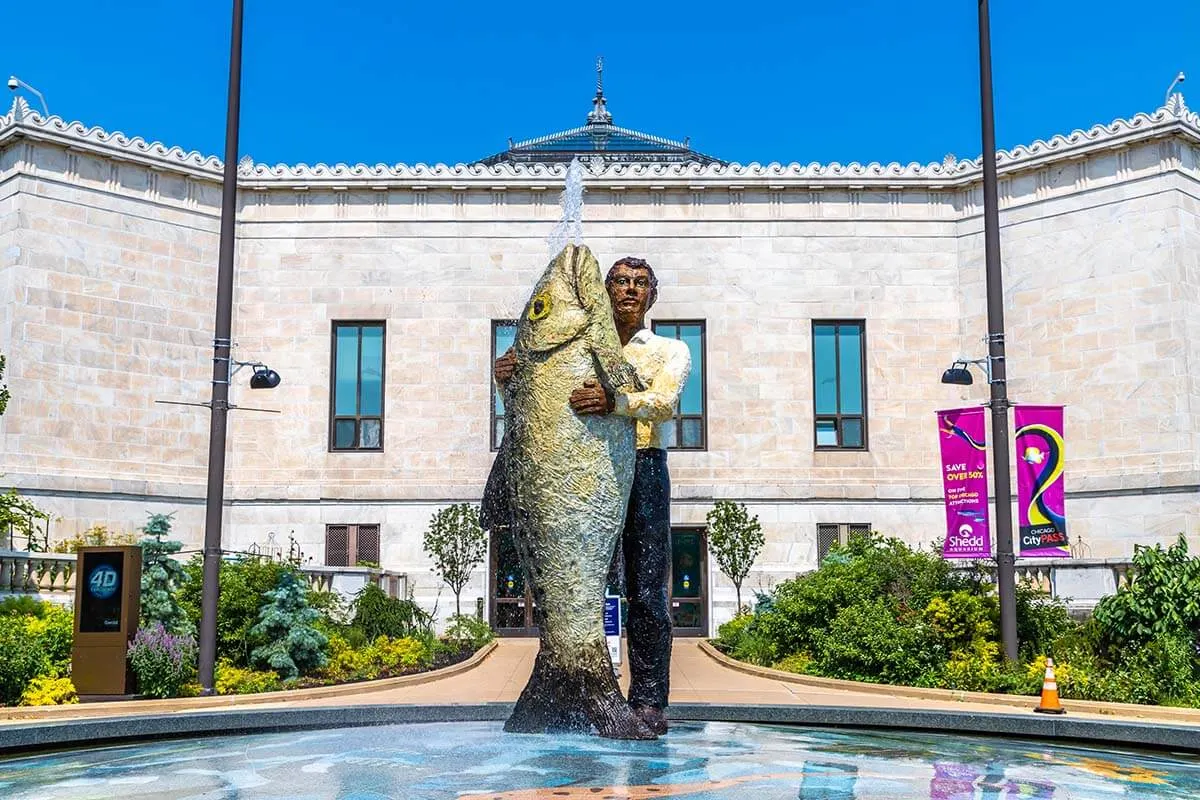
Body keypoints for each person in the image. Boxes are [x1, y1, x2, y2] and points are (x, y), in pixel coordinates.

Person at [494, 256, 690, 735]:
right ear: (605, 292)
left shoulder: (670, 350)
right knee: (580, 585)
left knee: (646, 590)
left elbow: (664, 403)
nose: (629, 290)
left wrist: (615, 401)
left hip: (642, 467)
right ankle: (577, 685)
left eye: (640, 283)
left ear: (652, 295)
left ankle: (647, 700)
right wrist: (508, 383)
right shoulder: (582, 342)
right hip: (583, 476)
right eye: (620, 282)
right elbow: (537, 414)